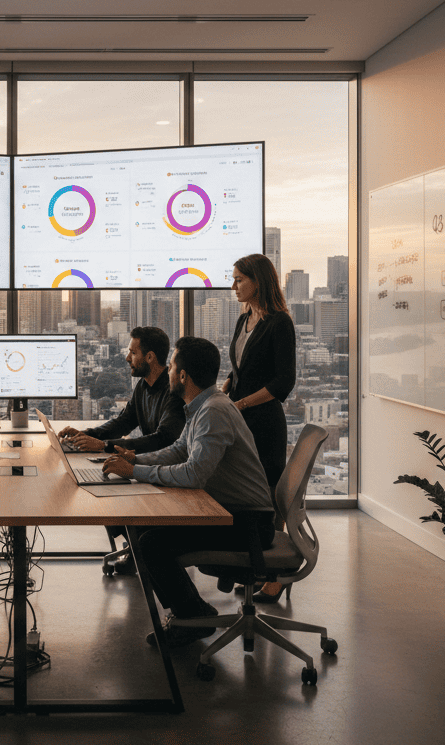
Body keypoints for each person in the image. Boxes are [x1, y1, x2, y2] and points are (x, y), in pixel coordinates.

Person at [103, 336, 275, 649]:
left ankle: (192, 617)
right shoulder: (203, 405)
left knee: (152, 543)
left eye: (170, 367)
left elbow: (194, 474)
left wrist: (136, 472)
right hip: (228, 510)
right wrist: (136, 459)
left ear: (183, 376)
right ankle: (191, 612)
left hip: (247, 523)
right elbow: (180, 449)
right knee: (143, 529)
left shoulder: (213, 412)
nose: (167, 372)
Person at [58, 325, 186, 573]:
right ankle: (135, 548)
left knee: (109, 486)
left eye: (132, 352)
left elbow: (164, 439)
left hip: (166, 471)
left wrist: (104, 446)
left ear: (149, 357)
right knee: (103, 482)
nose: (128, 358)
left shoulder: (172, 392)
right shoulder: (143, 387)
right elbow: (123, 423)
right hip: (149, 463)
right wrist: (86, 435)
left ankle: (141, 551)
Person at [224, 253, 297, 603]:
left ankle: (277, 574)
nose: (234, 285)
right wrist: (224, 390)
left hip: (264, 423)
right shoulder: (244, 319)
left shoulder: (279, 323)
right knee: (244, 492)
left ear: (258, 281)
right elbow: (240, 369)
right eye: (234, 279)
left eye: (239, 279)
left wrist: (241, 404)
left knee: (267, 495)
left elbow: (283, 381)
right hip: (239, 419)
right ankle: (254, 563)